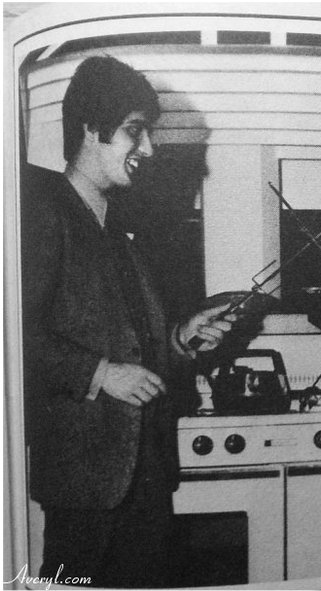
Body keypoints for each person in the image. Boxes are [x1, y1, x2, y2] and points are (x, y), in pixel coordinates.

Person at [20, 56, 235, 587]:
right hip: (87, 478)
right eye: (135, 131)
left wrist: (181, 339)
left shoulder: (117, 231)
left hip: (144, 472)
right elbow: (13, 333)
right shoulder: (43, 212)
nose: (149, 149)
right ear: (91, 129)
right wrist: (101, 373)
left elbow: (134, 344)